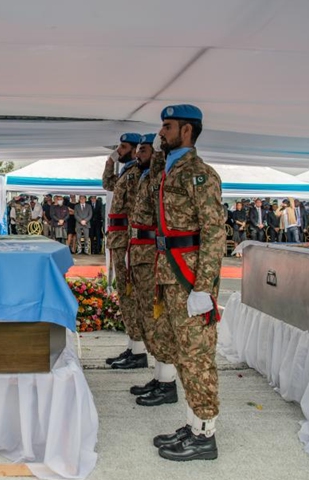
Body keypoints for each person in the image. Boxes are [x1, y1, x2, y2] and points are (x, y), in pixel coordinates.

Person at [153, 104, 223, 461]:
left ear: (186, 131)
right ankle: (193, 424)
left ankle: (205, 436)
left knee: (197, 358)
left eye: (167, 126)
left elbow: (213, 231)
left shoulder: (199, 173)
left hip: (191, 277)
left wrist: (203, 287)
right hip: (172, 276)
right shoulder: (171, 168)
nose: (161, 132)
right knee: (183, 355)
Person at [125, 133, 180, 405]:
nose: (138, 154)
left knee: (156, 320)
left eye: (144, 150)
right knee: (147, 318)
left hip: (150, 255)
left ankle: (167, 383)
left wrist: (158, 152)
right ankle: (160, 377)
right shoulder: (144, 177)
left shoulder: (159, 175)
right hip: (140, 253)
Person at [102, 132, 145, 367]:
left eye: (123, 147)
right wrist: (110, 161)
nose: (119, 150)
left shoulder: (136, 174)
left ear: (135, 149)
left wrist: (130, 242)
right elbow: (107, 184)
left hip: (127, 241)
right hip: (120, 240)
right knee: (125, 295)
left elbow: (135, 211)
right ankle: (132, 346)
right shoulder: (126, 172)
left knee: (130, 294)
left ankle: (138, 351)